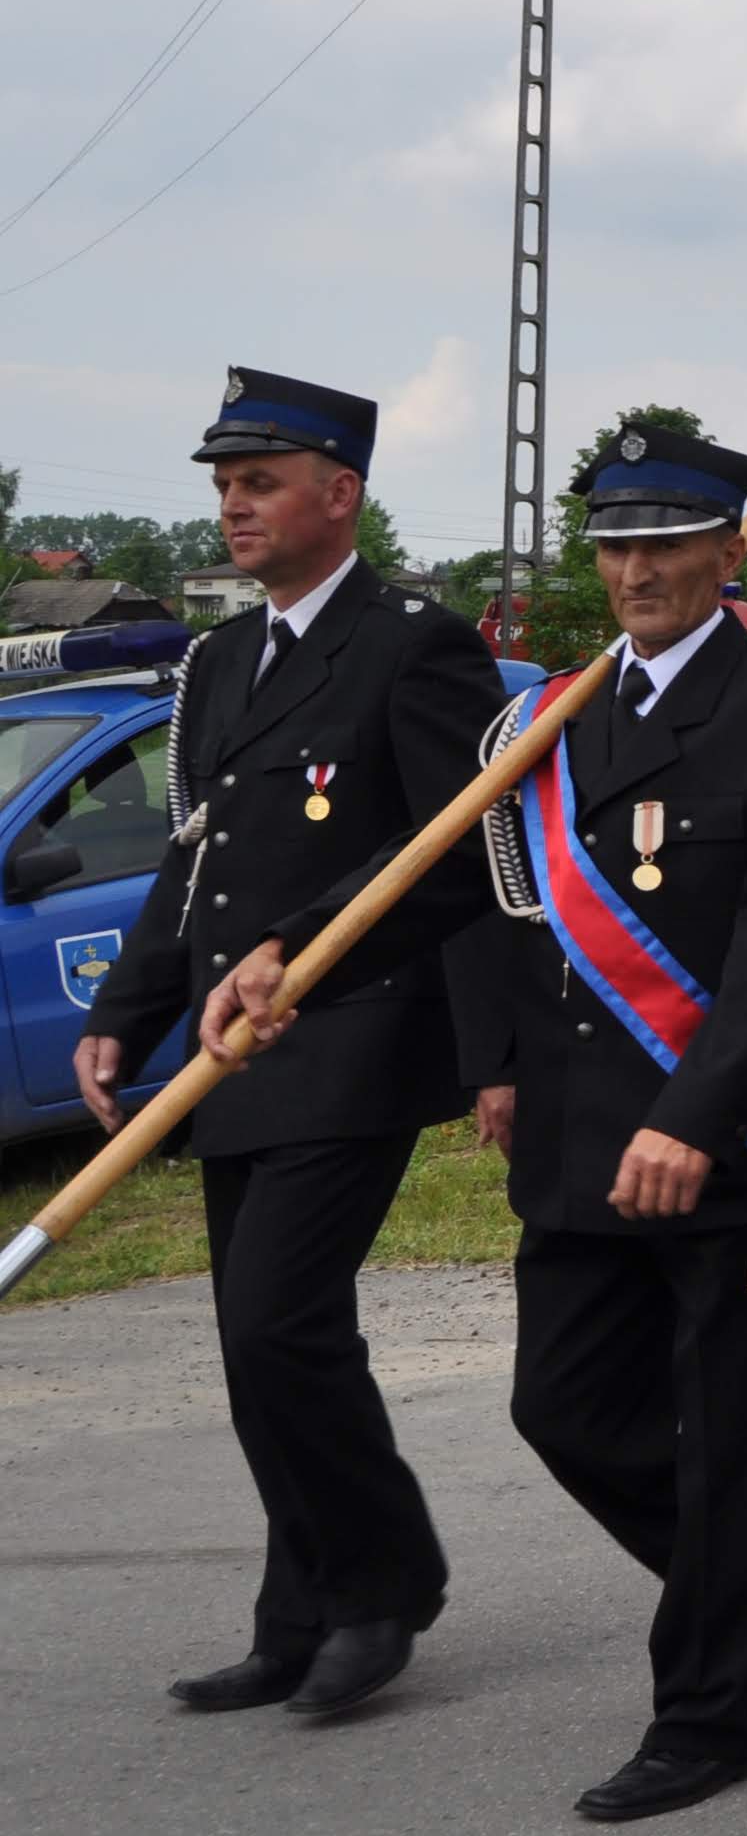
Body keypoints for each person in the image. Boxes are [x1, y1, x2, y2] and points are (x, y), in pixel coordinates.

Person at [448, 418, 747, 1820]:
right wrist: (496, 1058)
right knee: (560, 1405)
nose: (637, 569)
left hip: (727, 1145)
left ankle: (708, 1713)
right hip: (575, 1130)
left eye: (667, 542)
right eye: (617, 544)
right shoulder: (556, 715)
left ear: (725, 551)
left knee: (734, 1426)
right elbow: (497, 904)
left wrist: (695, 1116)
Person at [81, 370, 502, 1722]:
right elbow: (192, 872)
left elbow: (448, 860)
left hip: (356, 1031)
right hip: (232, 1050)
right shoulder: (217, 663)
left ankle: (386, 1586)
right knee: (253, 1337)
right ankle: (294, 1611)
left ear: (342, 494)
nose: (233, 505)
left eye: (258, 481)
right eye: (222, 483)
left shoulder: (412, 646)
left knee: (281, 1325)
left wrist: (320, 950)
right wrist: (121, 1015)